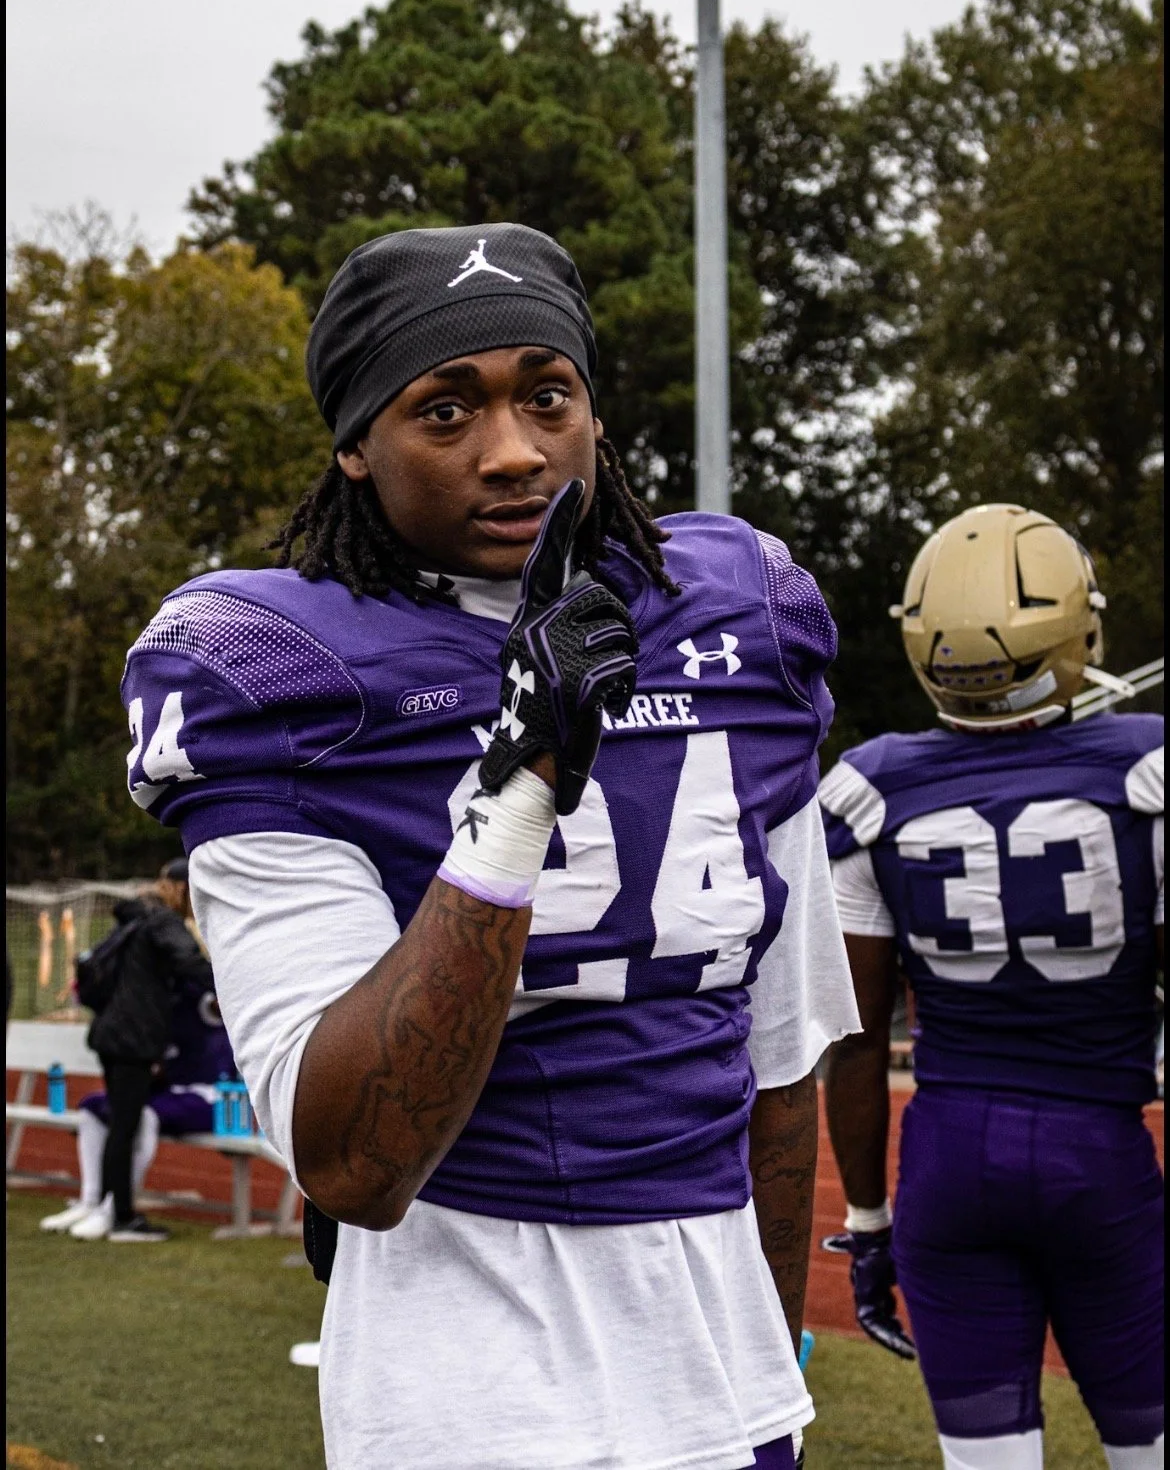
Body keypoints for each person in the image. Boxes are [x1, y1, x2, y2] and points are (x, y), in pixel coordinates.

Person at [120, 222, 860, 1470]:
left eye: (547, 395)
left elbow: (779, 1069)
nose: (513, 450)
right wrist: (521, 791)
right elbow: (357, 1159)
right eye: (446, 409)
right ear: (357, 444)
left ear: (593, 410)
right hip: (463, 1394)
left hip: (724, 1383)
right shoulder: (277, 665)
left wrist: (766, 1363)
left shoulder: (743, 622)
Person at [819, 503, 1164, 1470]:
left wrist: (867, 1221)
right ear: (1073, 628)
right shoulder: (1144, 771)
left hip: (948, 1164)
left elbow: (851, 1037)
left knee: (987, 1461)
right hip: (1100, 1158)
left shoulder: (871, 789)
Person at [67, 857, 215, 1242]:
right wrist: (229, 980)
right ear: (184, 889)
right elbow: (190, 964)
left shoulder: (134, 918)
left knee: (121, 1124)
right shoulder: (163, 921)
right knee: (125, 1126)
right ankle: (122, 1218)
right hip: (133, 1037)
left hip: (110, 1033)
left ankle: (108, 1209)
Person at [40, 950, 235, 1238]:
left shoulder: (198, 989)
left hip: (212, 1095)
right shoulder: (154, 996)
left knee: (142, 1116)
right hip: (168, 1091)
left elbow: (218, 1003)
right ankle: (91, 1200)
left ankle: (114, 1209)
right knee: (92, 1107)